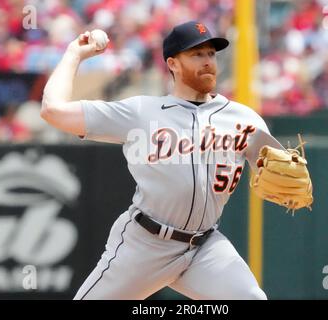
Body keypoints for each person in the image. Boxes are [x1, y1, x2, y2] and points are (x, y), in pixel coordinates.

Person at [41, 21, 288, 300]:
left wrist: (287, 188)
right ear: (173, 63)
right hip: (146, 244)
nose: (207, 61)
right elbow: (53, 111)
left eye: (211, 53)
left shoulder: (245, 119)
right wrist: (74, 55)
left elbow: (283, 175)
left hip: (204, 247)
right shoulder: (142, 112)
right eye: (196, 54)